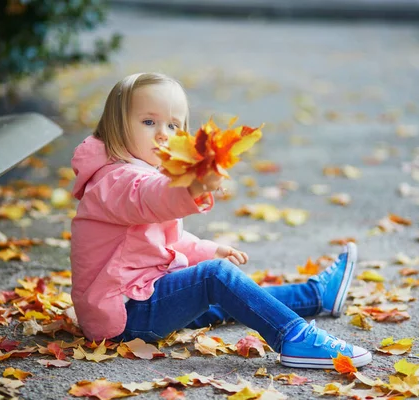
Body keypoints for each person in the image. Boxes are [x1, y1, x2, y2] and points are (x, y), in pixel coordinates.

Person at [69, 72, 372, 369]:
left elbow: (158, 240)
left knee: (224, 298)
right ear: (116, 126)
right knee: (214, 276)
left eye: (173, 126)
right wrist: (193, 186)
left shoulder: (136, 171)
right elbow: (153, 199)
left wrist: (207, 250)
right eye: (149, 122)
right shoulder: (115, 181)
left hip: (142, 297)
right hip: (125, 315)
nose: (163, 133)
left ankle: (317, 296)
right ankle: (293, 337)